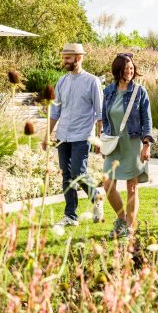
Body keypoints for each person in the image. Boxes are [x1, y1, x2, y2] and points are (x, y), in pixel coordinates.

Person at [43, 43, 106, 226]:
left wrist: (99, 138)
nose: (64, 61)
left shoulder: (92, 81)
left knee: (78, 172)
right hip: (63, 136)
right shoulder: (62, 81)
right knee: (66, 175)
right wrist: (47, 135)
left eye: (67, 58)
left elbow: (100, 113)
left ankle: (96, 198)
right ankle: (70, 215)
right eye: (63, 57)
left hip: (82, 135)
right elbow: (55, 112)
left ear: (78, 58)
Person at [100, 52, 154, 239]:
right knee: (107, 183)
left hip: (133, 143)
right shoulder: (108, 91)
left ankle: (129, 227)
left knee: (132, 187)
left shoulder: (140, 92)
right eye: (126, 69)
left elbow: (147, 119)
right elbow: (104, 118)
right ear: (118, 70)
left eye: (132, 68)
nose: (130, 72)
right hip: (114, 144)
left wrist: (147, 144)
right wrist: (104, 139)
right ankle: (122, 219)